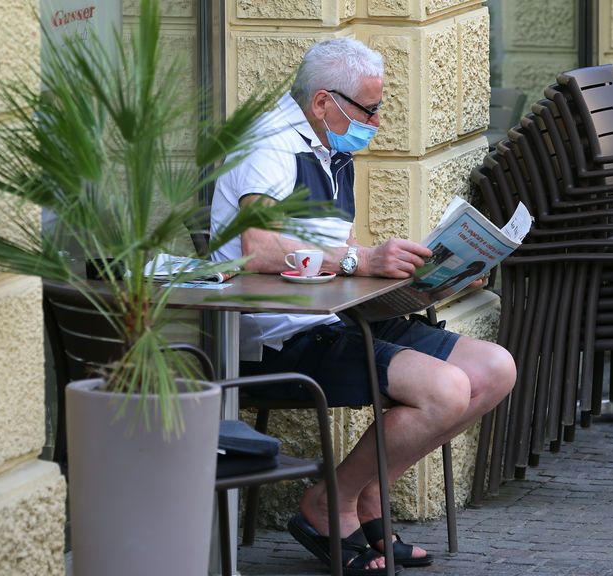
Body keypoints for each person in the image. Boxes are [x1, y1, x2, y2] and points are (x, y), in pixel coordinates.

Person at [211, 38, 516, 575]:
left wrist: (433, 281)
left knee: (493, 369)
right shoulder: (269, 145)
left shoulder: (332, 148)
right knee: (443, 390)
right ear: (324, 102)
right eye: (369, 109)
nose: (376, 120)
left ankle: (369, 494)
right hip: (276, 337)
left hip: (331, 319)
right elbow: (258, 249)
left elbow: (332, 262)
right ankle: (328, 503)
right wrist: (362, 260)